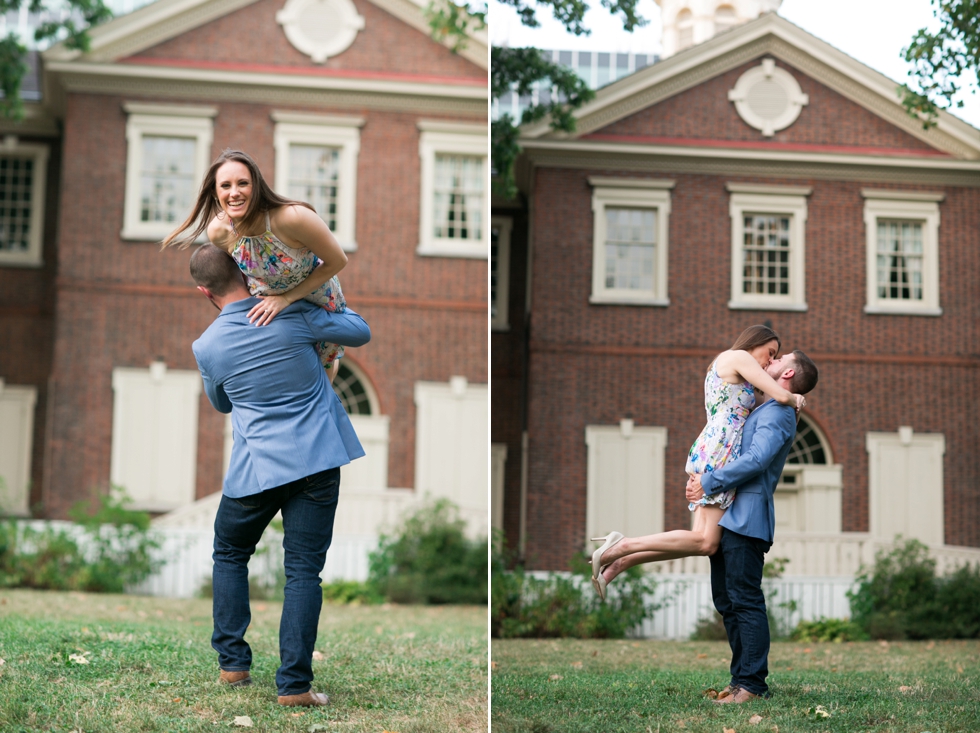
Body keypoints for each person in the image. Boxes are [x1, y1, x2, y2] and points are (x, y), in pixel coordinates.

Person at [189, 243, 371, 707]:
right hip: (317, 462)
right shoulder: (292, 316)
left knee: (230, 552)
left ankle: (233, 665)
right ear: (248, 274)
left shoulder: (206, 346)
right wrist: (297, 301)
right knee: (304, 572)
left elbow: (222, 402)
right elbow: (359, 331)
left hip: (257, 469)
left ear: (204, 291)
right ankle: (294, 688)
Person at [590, 326, 806, 599]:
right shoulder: (738, 357)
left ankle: (623, 560)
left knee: (704, 541)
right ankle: (622, 546)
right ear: (755, 343)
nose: (769, 361)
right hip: (720, 451)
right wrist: (797, 398)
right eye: (770, 352)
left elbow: (771, 416)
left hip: (715, 448)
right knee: (706, 541)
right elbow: (782, 397)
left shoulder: (744, 374)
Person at [685, 348, 819, 703]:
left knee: (745, 601)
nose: (770, 363)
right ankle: (739, 679)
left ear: (788, 374)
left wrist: (710, 481)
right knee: (727, 602)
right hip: (730, 515)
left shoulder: (779, 413)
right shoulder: (767, 406)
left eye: (779, 359)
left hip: (748, 520)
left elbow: (757, 460)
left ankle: (753, 686)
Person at [165, 148, 348, 379]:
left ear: (257, 186)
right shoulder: (218, 232)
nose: (234, 193)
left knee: (322, 377)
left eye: (243, 183)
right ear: (214, 192)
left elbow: (338, 261)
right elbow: (242, 274)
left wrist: (285, 299)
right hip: (268, 307)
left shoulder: (293, 217)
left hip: (316, 300)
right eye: (225, 186)